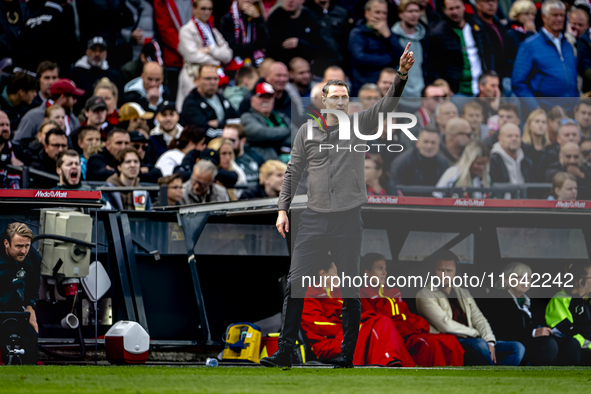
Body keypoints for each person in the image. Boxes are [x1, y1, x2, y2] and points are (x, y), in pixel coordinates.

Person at [261, 43, 414, 369]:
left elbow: (387, 106)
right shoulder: (307, 130)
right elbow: (292, 171)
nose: (342, 101)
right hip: (314, 216)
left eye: (346, 97)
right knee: (295, 284)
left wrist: (400, 75)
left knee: (350, 290)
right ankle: (285, 352)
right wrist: (282, 209)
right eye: (336, 97)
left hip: (347, 218)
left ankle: (347, 355)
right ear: (324, 101)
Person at [300, 257, 415, 367]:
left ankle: (393, 362)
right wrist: (350, 330)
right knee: (378, 323)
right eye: (337, 273)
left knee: (382, 321)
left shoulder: (341, 293)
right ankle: (388, 362)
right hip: (326, 344)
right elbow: (317, 324)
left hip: (346, 337)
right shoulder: (309, 294)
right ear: (323, 274)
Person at [416, 251, 525, 366]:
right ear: (433, 271)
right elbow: (445, 324)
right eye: (440, 270)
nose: (444, 274)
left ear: (455, 273)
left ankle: (500, 377)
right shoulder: (424, 294)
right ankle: (493, 376)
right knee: (479, 344)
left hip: (475, 340)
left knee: (517, 347)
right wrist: (476, 334)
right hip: (450, 342)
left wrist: (490, 341)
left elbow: (479, 318)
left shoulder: (463, 292)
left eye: (449, 271)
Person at [360, 253, 464, 366]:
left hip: (409, 333)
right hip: (394, 339)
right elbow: (374, 323)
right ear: (367, 272)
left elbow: (406, 314)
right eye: (380, 269)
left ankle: (457, 377)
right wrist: (407, 327)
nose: (385, 273)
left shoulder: (394, 292)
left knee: (450, 340)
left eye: (385, 269)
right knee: (432, 344)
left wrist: (417, 324)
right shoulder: (363, 294)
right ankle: (437, 379)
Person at [478, 262, 580, 366]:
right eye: (521, 278)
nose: (526, 282)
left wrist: (547, 330)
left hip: (531, 340)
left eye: (528, 279)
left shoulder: (528, 301)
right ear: (507, 280)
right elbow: (502, 328)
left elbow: (537, 322)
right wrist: (533, 332)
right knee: (548, 343)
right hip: (512, 342)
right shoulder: (496, 298)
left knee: (571, 343)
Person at [512, 0, 578, 112]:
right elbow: (518, 83)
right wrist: (536, 109)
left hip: (570, 112)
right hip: (545, 113)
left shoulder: (567, 45)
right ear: (544, 17)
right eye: (555, 15)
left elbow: (573, 79)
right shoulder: (530, 45)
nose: (559, 19)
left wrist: (577, 105)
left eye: (562, 15)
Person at [177, 0, 233, 109]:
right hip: (192, 76)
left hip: (214, 75)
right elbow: (193, 56)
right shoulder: (186, 30)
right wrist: (217, 60)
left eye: (209, 9)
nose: (206, 12)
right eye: (203, 9)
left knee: (213, 109)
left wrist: (210, 49)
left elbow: (228, 55)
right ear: (194, 9)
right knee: (192, 109)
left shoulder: (213, 31)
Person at [429, 0, 493, 96]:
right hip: (456, 91)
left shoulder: (476, 26)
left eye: (457, 7)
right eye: (451, 9)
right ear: (444, 10)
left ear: (464, 7)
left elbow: (488, 53)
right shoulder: (438, 33)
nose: (455, 12)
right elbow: (434, 65)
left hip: (481, 88)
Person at [348, 0, 404, 95]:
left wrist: (388, 36)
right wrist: (390, 58)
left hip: (386, 89)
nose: (381, 16)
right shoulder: (357, 33)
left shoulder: (389, 33)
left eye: (384, 13)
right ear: (367, 13)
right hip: (364, 87)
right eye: (377, 12)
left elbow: (401, 57)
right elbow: (360, 58)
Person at [14, 79, 84, 146]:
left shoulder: (74, 120)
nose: (75, 101)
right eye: (74, 97)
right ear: (63, 97)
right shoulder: (33, 116)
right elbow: (17, 143)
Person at [546, 262, 591, 365]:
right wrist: (589, 345)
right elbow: (564, 330)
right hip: (581, 348)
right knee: (572, 343)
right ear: (581, 282)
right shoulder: (560, 299)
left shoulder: (587, 299)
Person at [391, 0, 432, 112]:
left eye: (416, 11)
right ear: (400, 14)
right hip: (400, 94)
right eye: (410, 11)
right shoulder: (392, 37)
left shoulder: (424, 35)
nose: (414, 14)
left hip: (420, 92)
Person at [266, 0, 326, 76]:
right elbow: (270, 48)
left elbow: (320, 47)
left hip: (306, 64)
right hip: (281, 63)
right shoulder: (275, 18)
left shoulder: (310, 17)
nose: (290, 1)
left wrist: (300, 44)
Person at [0, 223, 40, 334]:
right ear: (6, 243)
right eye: (19, 246)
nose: (23, 251)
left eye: (27, 245)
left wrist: (30, 308)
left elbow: (33, 285)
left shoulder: (33, 258)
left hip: (13, 300)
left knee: (30, 334)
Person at [240, 81, 294, 162]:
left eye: (269, 97)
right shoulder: (247, 117)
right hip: (262, 161)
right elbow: (261, 133)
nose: (265, 100)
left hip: (285, 157)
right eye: (262, 97)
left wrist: (273, 138)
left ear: (273, 100)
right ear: (252, 100)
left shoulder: (280, 116)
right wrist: (286, 131)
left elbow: (297, 135)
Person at [69, 36, 123, 114]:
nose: (97, 54)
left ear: (106, 54)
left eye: (101, 50)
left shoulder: (114, 75)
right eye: (94, 50)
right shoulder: (74, 73)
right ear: (87, 52)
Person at [180, 64, 238, 134]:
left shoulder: (221, 98)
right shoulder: (190, 102)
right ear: (197, 80)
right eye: (208, 79)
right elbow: (201, 129)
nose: (213, 82)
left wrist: (219, 123)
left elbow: (236, 118)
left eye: (215, 78)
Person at [219, 0, 270, 68]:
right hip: (236, 62)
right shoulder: (227, 19)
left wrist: (258, 19)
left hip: (256, 59)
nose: (248, 0)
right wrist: (256, 46)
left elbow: (267, 42)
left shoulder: (256, 16)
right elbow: (233, 48)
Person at [474, 0, 514, 79]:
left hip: (503, 75)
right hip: (486, 77)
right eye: (486, 1)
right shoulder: (475, 26)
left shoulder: (499, 24)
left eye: (494, 1)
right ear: (478, 4)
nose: (491, 4)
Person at [222, 123, 265, 187]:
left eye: (231, 140)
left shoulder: (255, 156)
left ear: (243, 141)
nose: (227, 143)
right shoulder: (223, 161)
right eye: (224, 140)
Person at [0, 110, 24, 189]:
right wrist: (9, 159)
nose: (5, 128)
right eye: (1, 125)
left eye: (7, 125)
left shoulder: (17, 149)